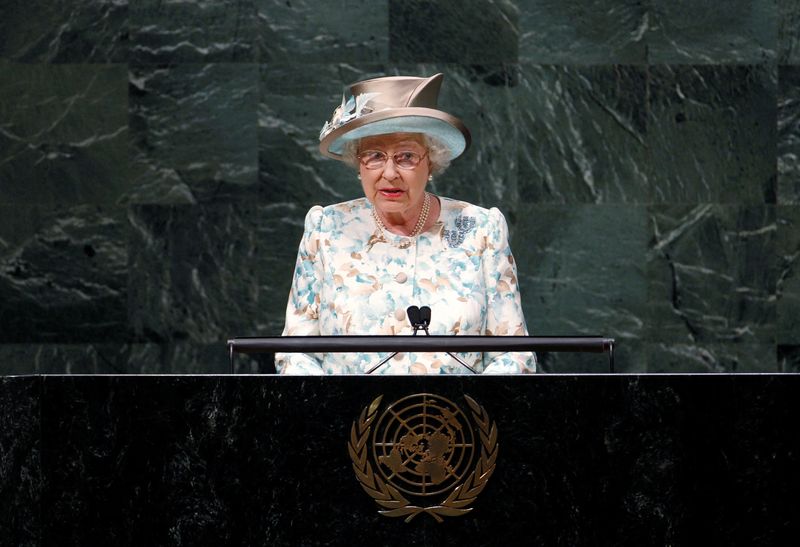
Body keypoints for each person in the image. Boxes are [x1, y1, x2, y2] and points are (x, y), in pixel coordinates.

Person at [276, 73, 536, 374]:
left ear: (432, 162)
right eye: (374, 156)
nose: (389, 173)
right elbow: (296, 354)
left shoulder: (480, 229)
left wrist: (465, 413)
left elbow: (514, 355)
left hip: (454, 418)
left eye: (406, 156)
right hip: (348, 419)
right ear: (358, 164)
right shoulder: (326, 228)